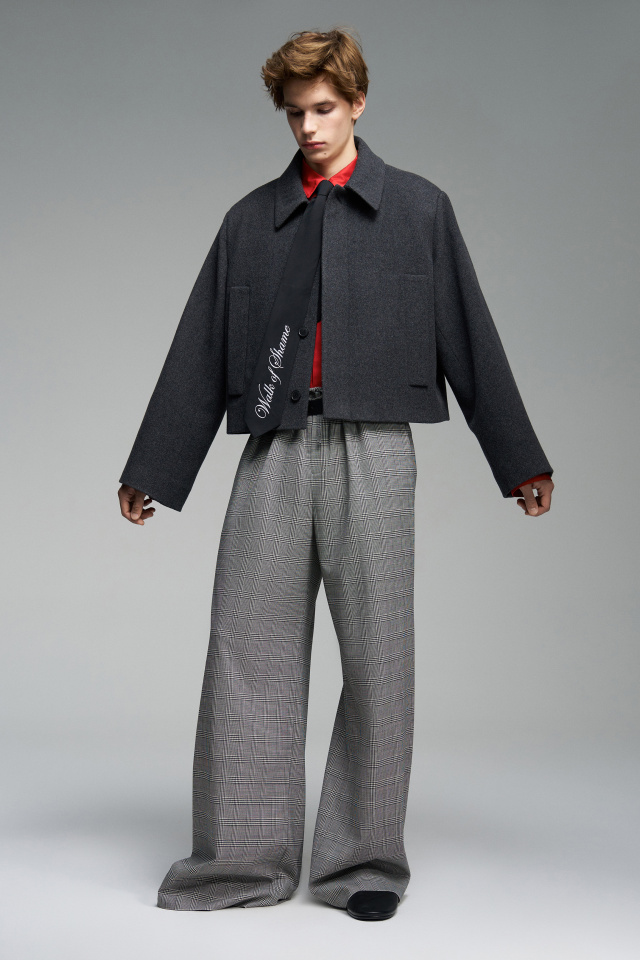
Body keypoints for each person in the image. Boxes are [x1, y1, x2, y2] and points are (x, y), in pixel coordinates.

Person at [117, 27, 554, 921]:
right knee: (245, 653)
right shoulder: (249, 222)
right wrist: (154, 466)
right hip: (273, 451)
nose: (310, 128)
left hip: (376, 450)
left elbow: (469, 332)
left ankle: (362, 864)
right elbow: (200, 346)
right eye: (295, 114)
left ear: (357, 103)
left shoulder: (419, 210)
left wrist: (518, 459)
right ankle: (241, 861)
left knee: (378, 657)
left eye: (324, 109)